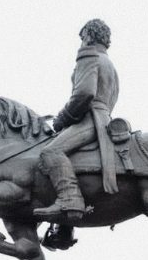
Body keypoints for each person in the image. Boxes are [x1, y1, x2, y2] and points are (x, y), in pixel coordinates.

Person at [34, 18, 120, 224]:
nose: (81, 42)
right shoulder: (109, 63)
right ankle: (64, 227)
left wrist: (63, 118)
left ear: (89, 36)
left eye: (82, 37)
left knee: (51, 151)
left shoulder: (89, 56)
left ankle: (69, 199)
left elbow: (84, 93)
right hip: (104, 118)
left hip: (91, 118)